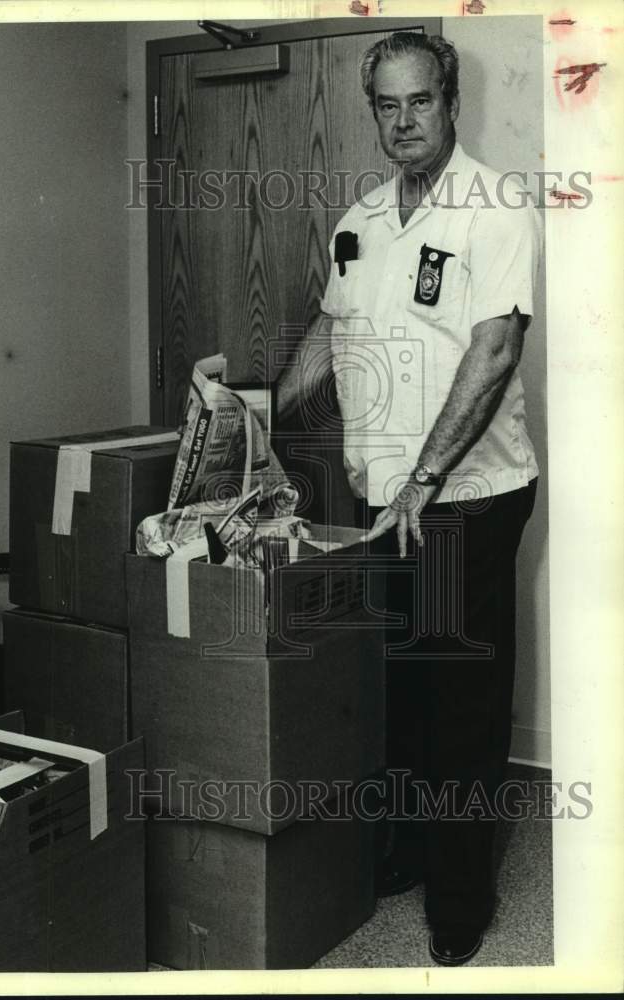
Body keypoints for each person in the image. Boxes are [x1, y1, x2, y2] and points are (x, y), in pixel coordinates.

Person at [277, 32, 541, 966]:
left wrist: (425, 482)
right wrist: (263, 414)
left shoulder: (494, 207)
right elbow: (330, 327)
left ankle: (461, 895)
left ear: (450, 101)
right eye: (386, 105)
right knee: (395, 687)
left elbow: (494, 350)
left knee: (460, 700)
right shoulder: (361, 217)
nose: (403, 121)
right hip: (380, 501)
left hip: (463, 496)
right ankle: (414, 847)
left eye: (419, 101)